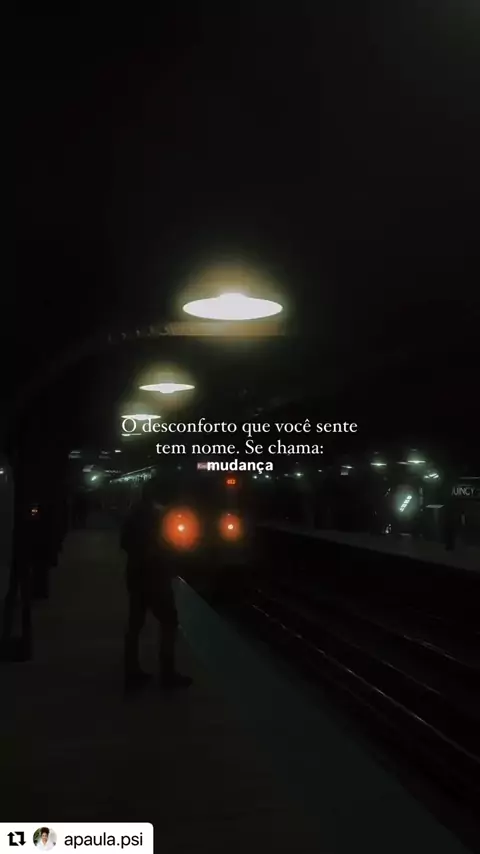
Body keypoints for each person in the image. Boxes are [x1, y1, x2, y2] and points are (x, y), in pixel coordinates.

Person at [121, 478, 192, 693]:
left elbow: (124, 543)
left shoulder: (133, 513)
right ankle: (167, 674)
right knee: (169, 622)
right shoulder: (157, 516)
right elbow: (163, 547)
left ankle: (131, 671)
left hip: (135, 577)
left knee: (135, 625)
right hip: (155, 578)